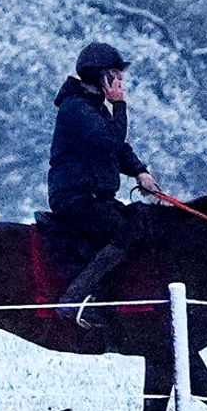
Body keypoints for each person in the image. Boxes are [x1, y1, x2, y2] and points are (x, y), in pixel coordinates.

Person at [47, 41, 164, 329]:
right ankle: (74, 299)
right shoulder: (75, 109)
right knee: (125, 232)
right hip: (75, 197)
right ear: (101, 76)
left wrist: (141, 172)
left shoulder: (95, 109)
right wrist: (120, 104)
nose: (121, 82)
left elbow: (116, 148)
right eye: (117, 75)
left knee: (141, 222)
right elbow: (110, 140)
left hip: (95, 197)